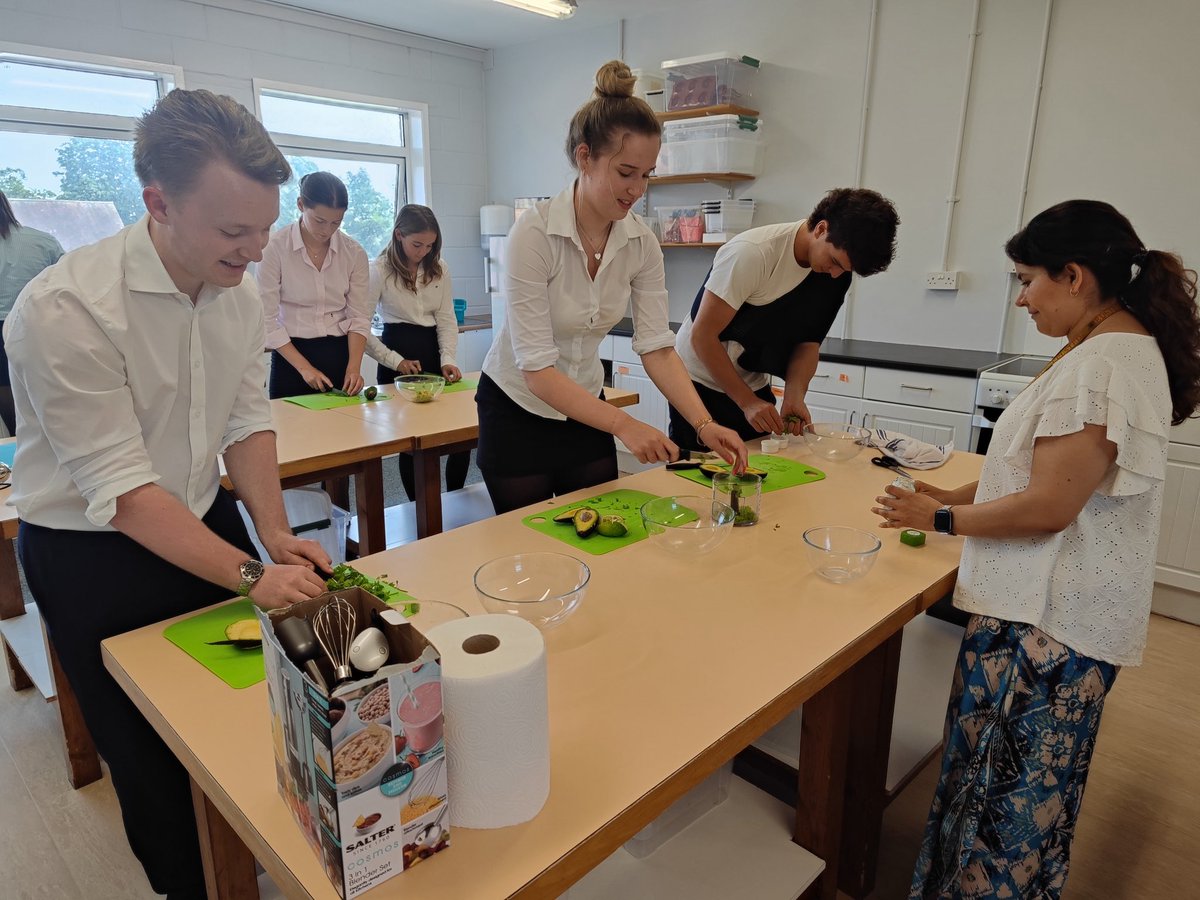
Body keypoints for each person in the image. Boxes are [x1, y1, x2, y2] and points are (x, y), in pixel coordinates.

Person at [5, 89, 334, 900]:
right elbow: (120, 493)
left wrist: (274, 534)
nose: (257, 251)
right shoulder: (66, 308)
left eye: (264, 227)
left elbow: (247, 421)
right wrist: (254, 576)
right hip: (92, 551)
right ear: (158, 203)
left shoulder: (239, 291)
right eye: (233, 232)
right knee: (150, 756)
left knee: (251, 708)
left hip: (200, 515)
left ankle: (253, 859)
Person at [871, 200, 1200, 899]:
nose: (1021, 297)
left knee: (1001, 812)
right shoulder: (1113, 341)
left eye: (1027, 279)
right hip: (1067, 620)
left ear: (1074, 275)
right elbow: (1044, 478)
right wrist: (951, 499)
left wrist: (942, 521)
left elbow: (1051, 507)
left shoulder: (1101, 364)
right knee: (1026, 810)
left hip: (1044, 631)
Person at [476, 60, 747, 513]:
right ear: (585, 157)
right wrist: (624, 424)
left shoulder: (640, 242)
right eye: (626, 172)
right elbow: (537, 371)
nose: (637, 188)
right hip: (517, 407)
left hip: (586, 406)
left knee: (603, 532)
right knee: (530, 548)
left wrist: (704, 423)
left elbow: (658, 347)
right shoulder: (534, 234)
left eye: (647, 174)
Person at [669, 188, 898, 449]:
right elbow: (702, 337)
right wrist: (747, 402)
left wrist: (794, 396)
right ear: (821, 229)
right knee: (698, 472)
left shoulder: (835, 275)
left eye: (846, 269)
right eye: (835, 261)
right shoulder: (753, 253)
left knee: (754, 467)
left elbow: (808, 343)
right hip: (697, 379)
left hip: (748, 378)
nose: (836, 274)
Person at [367, 204, 470, 500]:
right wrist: (395, 362)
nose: (424, 251)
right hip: (396, 357)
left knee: (458, 434)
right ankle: (419, 506)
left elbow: (447, 319)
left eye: (430, 244)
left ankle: (454, 498)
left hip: (433, 355)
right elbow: (360, 329)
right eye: (417, 244)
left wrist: (448, 359)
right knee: (411, 441)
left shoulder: (439, 267)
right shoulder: (379, 270)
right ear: (398, 235)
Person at [258, 171, 371, 398]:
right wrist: (305, 369)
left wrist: (354, 368)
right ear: (301, 204)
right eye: (319, 220)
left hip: (339, 355)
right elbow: (267, 320)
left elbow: (358, 316)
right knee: (292, 432)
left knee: (344, 431)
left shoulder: (354, 252)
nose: (326, 230)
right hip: (291, 358)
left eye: (335, 223)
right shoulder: (274, 248)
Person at [0, 190, 64, 435]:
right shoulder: (42, 241)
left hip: (24, 328)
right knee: (32, 401)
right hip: (32, 330)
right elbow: (69, 288)